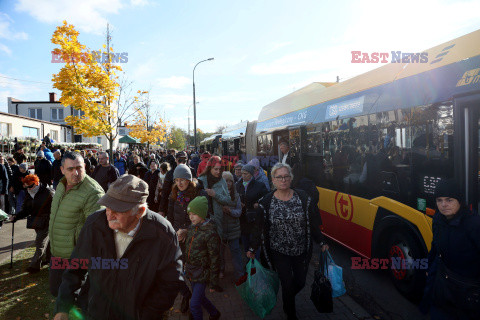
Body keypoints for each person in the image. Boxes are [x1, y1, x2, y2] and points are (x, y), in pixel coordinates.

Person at [53, 175, 184, 320]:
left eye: (117, 210)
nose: (109, 215)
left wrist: (147, 314)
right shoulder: (94, 224)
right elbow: (75, 268)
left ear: (140, 212)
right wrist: (63, 307)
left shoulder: (163, 234)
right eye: (108, 207)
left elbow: (170, 282)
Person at [248, 163, 326, 320]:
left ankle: (287, 298)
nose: (283, 180)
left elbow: (313, 222)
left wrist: (322, 241)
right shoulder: (266, 202)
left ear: (291, 179)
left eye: (286, 176)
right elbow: (258, 228)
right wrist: (252, 247)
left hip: (301, 250)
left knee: (301, 282)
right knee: (287, 283)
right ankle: (290, 313)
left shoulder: (303, 198)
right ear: (273, 180)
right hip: (278, 251)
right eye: (279, 177)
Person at [420, 179, 480, 319]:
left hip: (467, 289)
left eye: (449, 200)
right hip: (443, 284)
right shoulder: (438, 219)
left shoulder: (474, 225)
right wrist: (428, 268)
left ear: (459, 201)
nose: (443, 205)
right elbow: (435, 246)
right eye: (439, 200)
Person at [48, 151, 105, 299]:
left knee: (72, 297)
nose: (76, 172)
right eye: (70, 169)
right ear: (62, 170)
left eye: (79, 167)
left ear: (85, 167)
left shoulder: (93, 192)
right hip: (57, 251)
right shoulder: (61, 185)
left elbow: (97, 232)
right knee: (56, 290)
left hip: (75, 257)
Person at [167, 164, 207, 313]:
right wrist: (176, 232)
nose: (180, 183)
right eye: (177, 180)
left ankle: (195, 305)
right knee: (174, 272)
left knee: (193, 274)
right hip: (177, 238)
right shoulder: (173, 195)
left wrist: (187, 231)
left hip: (194, 240)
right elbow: (169, 218)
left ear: (189, 180)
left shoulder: (199, 194)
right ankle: (186, 294)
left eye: (183, 179)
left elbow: (205, 220)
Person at [184, 196, 222, 320]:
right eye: (190, 214)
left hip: (202, 273)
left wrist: (213, 282)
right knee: (200, 298)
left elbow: (215, 258)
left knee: (194, 304)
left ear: (202, 214)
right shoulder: (192, 228)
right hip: (191, 270)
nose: (191, 217)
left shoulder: (210, 233)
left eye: (194, 214)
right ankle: (214, 313)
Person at [10, 174, 54, 273]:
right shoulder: (29, 194)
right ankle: (48, 259)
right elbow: (26, 210)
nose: (28, 188)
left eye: (30, 186)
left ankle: (34, 266)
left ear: (36, 183)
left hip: (47, 221)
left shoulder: (48, 192)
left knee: (40, 243)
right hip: (37, 222)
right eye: (26, 186)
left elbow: (56, 206)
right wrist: (16, 217)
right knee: (46, 241)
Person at [198, 156, 235, 241]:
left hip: (217, 220)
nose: (218, 172)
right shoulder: (201, 180)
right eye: (215, 169)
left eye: (220, 169)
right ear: (210, 168)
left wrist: (215, 195)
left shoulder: (222, 181)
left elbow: (228, 200)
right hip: (203, 219)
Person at [235, 164, 268, 259]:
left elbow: (266, 198)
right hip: (243, 219)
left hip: (254, 220)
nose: (243, 176)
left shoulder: (259, 185)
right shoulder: (238, 185)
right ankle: (249, 264)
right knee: (245, 244)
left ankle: (255, 266)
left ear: (251, 174)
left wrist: (258, 203)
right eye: (242, 173)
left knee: (254, 244)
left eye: (246, 174)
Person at [220, 171, 244, 281]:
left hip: (233, 229)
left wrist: (230, 211)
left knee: (236, 251)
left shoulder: (236, 195)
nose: (228, 183)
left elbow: (239, 212)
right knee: (220, 252)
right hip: (221, 229)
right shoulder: (217, 194)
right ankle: (220, 270)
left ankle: (239, 273)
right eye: (226, 180)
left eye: (230, 181)